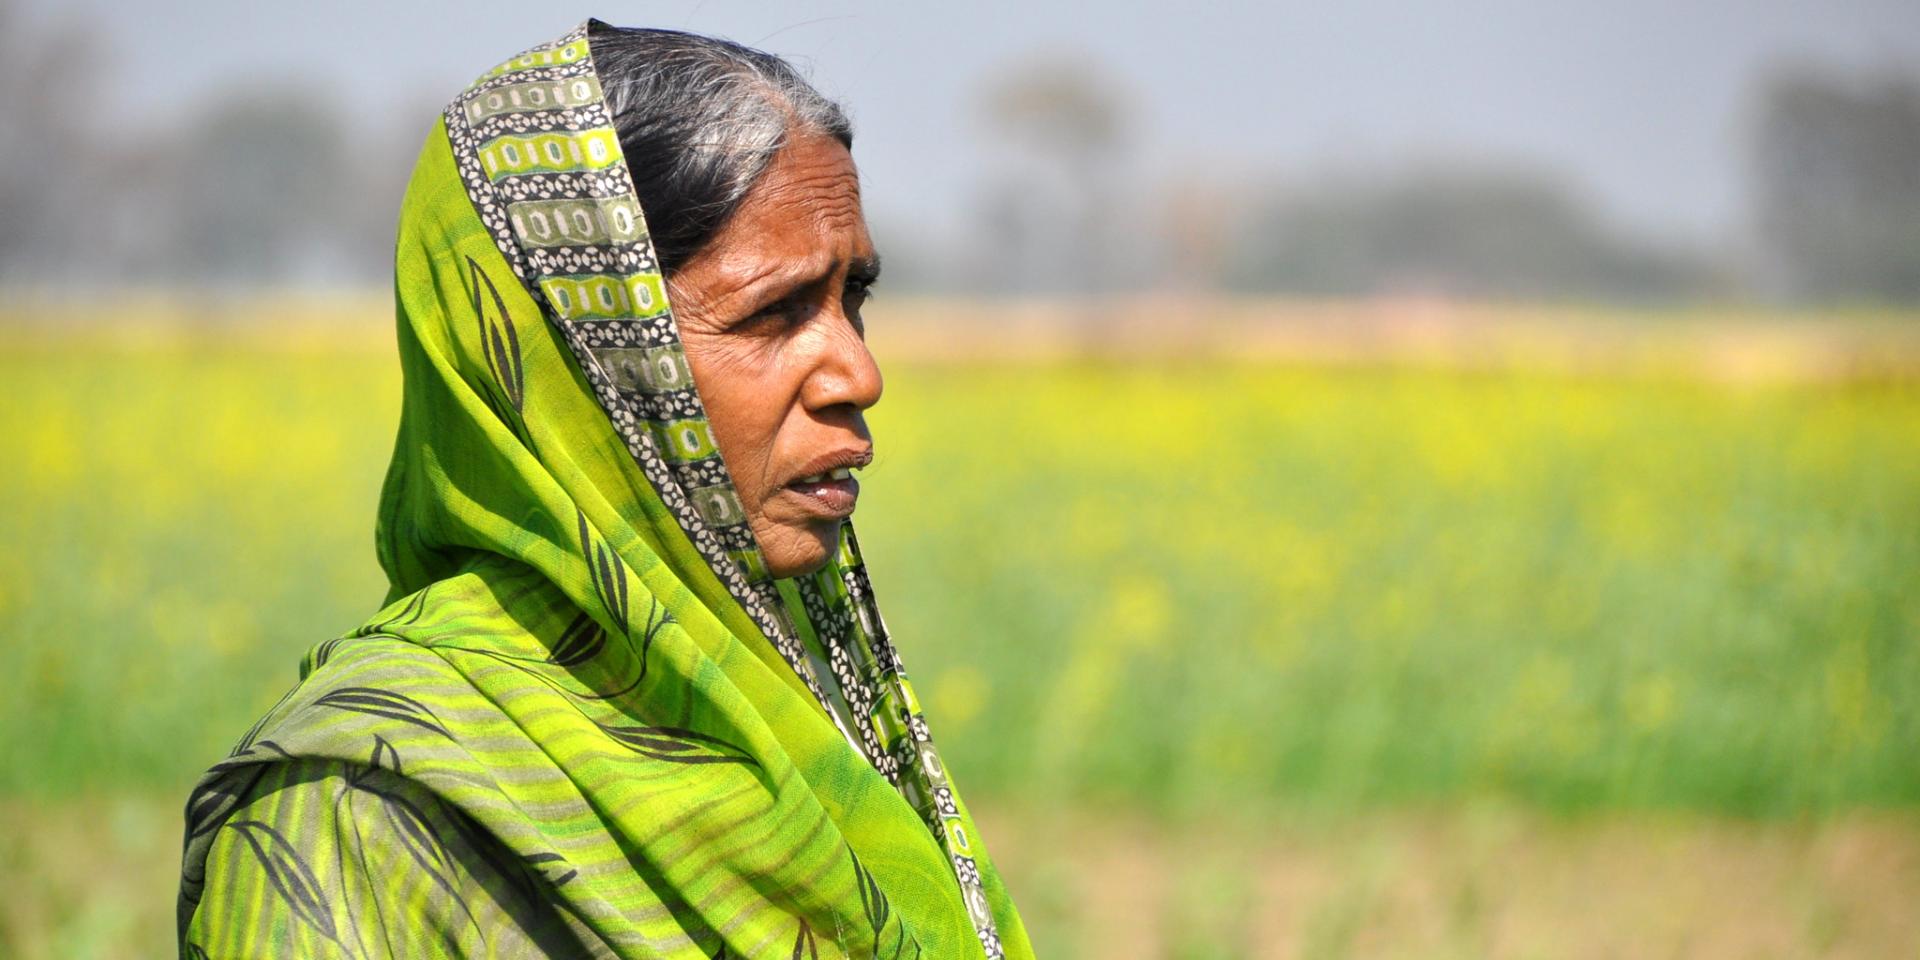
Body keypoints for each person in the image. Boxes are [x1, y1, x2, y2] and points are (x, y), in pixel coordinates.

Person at [175, 21, 1031, 959]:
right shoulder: (360, 816)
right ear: (588, 358)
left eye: (852, 298)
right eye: (774, 311)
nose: (858, 375)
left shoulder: (808, 728)